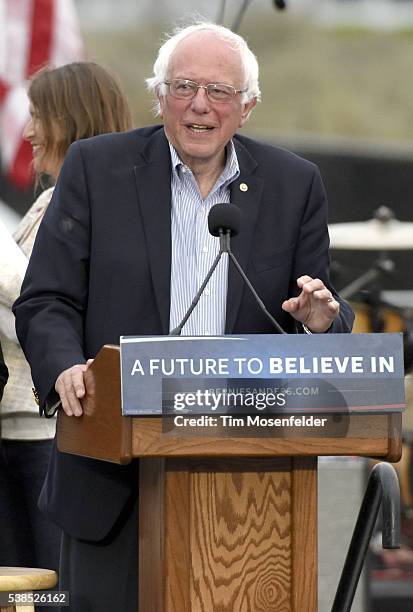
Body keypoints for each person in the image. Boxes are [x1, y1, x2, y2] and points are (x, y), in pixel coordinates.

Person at [14, 23, 354, 612]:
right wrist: (64, 366)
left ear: (247, 107)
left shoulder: (294, 184)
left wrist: (319, 320)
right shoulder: (98, 168)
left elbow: (319, 305)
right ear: (160, 96)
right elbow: (47, 300)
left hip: (249, 492)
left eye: (219, 92)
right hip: (110, 480)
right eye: (184, 87)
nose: (200, 105)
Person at [0, 61, 132, 573]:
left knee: (54, 584)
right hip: (16, 427)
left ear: (71, 119)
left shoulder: (91, 205)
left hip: (49, 434)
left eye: (38, 116)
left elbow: (55, 314)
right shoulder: (41, 206)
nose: (29, 132)